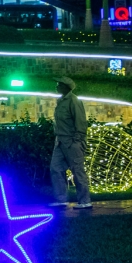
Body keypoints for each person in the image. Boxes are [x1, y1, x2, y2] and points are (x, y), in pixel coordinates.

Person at [48, 77, 92, 209]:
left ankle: (85, 201)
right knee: (55, 168)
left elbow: (80, 122)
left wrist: (77, 140)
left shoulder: (73, 101)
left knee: (77, 171)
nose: (56, 86)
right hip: (60, 141)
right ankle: (61, 199)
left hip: (72, 142)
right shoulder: (61, 101)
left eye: (59, 84)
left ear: (65, 87)